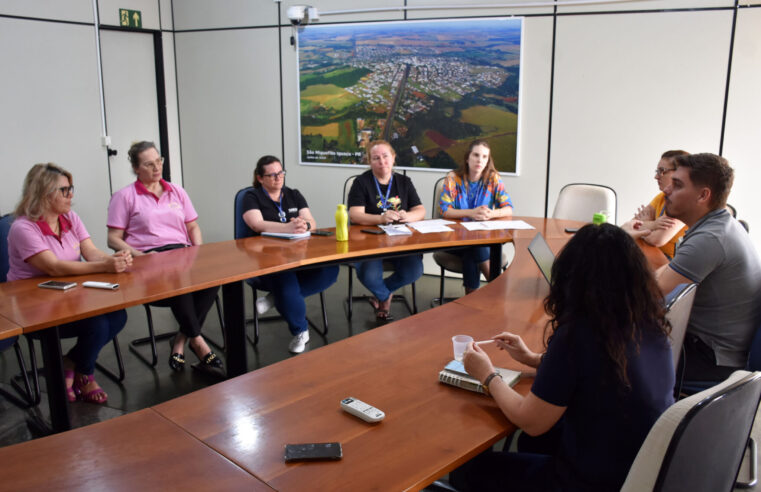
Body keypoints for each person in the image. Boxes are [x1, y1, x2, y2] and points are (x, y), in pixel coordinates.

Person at [451, 224, 675, 492]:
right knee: (536, 442)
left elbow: (530, 421)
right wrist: (533, 358)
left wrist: (487, 375)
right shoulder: (648, 322)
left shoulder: (579, 333)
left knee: (469, 471)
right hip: (639, 468)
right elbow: (595, 372)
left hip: (591, 481)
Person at [8, 163, 132, 404]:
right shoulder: (22, 228)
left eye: (70, 188)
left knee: (118, 316)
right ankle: (85, 375)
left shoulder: (70, 218)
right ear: (44, 193)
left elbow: (91, 252)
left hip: (70, 298)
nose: (71, 195)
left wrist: (113, 259)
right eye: (64, 190)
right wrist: (103, 267)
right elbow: (53, 267)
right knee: (97, 324)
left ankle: (71, 364)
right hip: (33, 308)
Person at [107, 141, 223, 375]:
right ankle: (198, 342)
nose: (156, 167)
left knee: (215, 278)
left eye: (158, 161)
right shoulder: (124, 196)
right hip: (149, 260)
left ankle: (180, 340)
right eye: (149, 164)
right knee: (178, 280)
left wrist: (198, 252)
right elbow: (113, 239)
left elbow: (193, 227)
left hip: (183, 254)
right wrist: (141, 256)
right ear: (136, 168)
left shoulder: (176, 190)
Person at [649, 153, 761, 383]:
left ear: (703, 195)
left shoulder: (710, 239)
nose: (666, 190)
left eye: (677, 185)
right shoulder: (718, 225)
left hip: (709, 358)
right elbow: (663, 276)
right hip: (712, 346)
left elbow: (648, 293)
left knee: (613, 351)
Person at [241, 155, 338, 353]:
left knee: (331, 270)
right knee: (286, 283)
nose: (278, 178)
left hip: (299, 254)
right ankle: (301, 330)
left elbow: (312, 222)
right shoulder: (252, 196)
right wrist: (287, 228)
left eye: (281, 173)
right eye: (272, 175)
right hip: (268, 258)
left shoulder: (293, 194)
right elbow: (256, 224)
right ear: (260, 178)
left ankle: (274, 299)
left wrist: (305, 224)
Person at [347, 140, 426, 321]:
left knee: (414, 270)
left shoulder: (404, 182)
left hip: (400, 241)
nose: (382, 161)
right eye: (376, 158)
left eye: (385, 156)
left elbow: (420, 210)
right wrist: (380, 219)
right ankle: (385, 297)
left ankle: (382, 293)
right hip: (370, 242)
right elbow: (355, 215)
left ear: (393, 158)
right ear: (369, 161)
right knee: (369, 276)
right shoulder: (361, 182)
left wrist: (408, 216)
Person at [439, 139, 513, 292]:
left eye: (485, 157)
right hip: (454, 239)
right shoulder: (453, 178)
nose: (480, 160)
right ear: (467, 158)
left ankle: (471, 299)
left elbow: (508, 209)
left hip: (481, 239)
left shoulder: (493, 179)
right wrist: (471, 213)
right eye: (476, 155)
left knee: (473, 249)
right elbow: (445, 211)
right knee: (475, 247)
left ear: (488, 160)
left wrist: (491, 214)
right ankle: (497, 291)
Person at [632, 150, 689, 258]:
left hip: (669, 264)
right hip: (652, 255)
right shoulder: (661, 197)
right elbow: (630, 225)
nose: (656, 177)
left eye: (662, 171)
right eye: (657, 171)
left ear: (679, 174)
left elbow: (657, 239)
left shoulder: (684, 202)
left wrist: (644, 223)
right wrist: (653, 224)